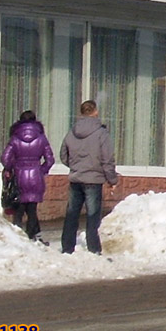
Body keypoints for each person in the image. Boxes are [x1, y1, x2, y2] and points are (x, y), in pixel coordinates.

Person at [60, 100, 119, 255]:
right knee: (93, 215)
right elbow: (107, 158)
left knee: (72, 213)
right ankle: (94, 248)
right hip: (93, 179)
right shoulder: (101, 133)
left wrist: (75, 166)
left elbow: (63, 154)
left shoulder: (72, 131)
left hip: (76, 177)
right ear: (95, 111)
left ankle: (67, 247)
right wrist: (112, 179)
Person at [0, 110, 54, 243]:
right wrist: (42, 170)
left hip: (19, 175)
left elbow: (5, 158)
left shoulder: (15, 138)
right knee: (32, 209)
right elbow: (50, 159)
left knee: (18, 208)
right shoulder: (41, 138)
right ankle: (32, 237)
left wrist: (13, 166)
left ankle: (16, 235)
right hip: (36, 175)